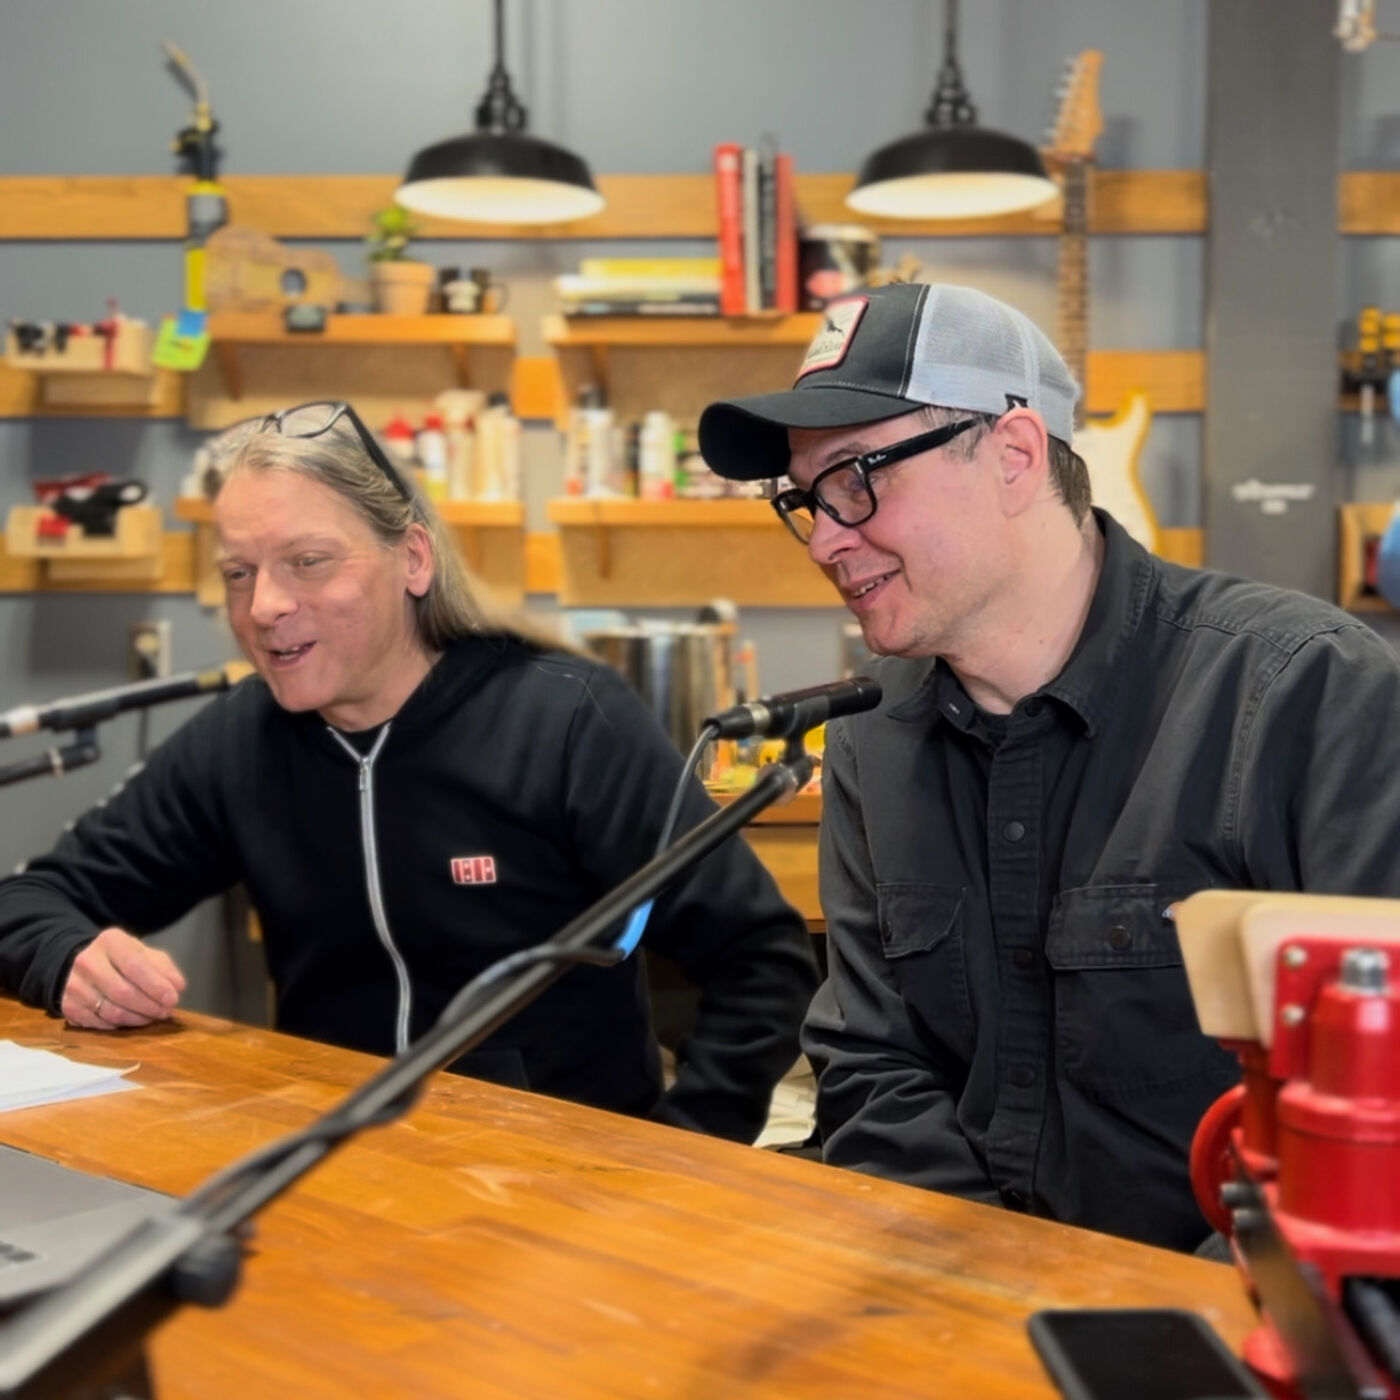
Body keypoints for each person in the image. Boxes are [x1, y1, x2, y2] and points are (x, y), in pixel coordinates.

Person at [696, 282, 1400, 1248]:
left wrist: (1174, 1306)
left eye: (856, 478)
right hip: (956, 1290)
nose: (823, 538)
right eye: (803, 500)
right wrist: (986, 1287)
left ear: (1016, 455)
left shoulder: (1306, 691)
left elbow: (1371, 1108)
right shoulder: (869, 733)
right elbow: (874, 1063)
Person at [0, 402, 818, 1144]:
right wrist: (67, 957)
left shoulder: (566, 720)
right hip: (333, 1173)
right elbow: (27, 901)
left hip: (559, 1184)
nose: (264, 607)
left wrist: (680, 1154)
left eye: (308, 561)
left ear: (413, 560)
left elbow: (759, 959)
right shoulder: (243, 740)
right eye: (240, 573)